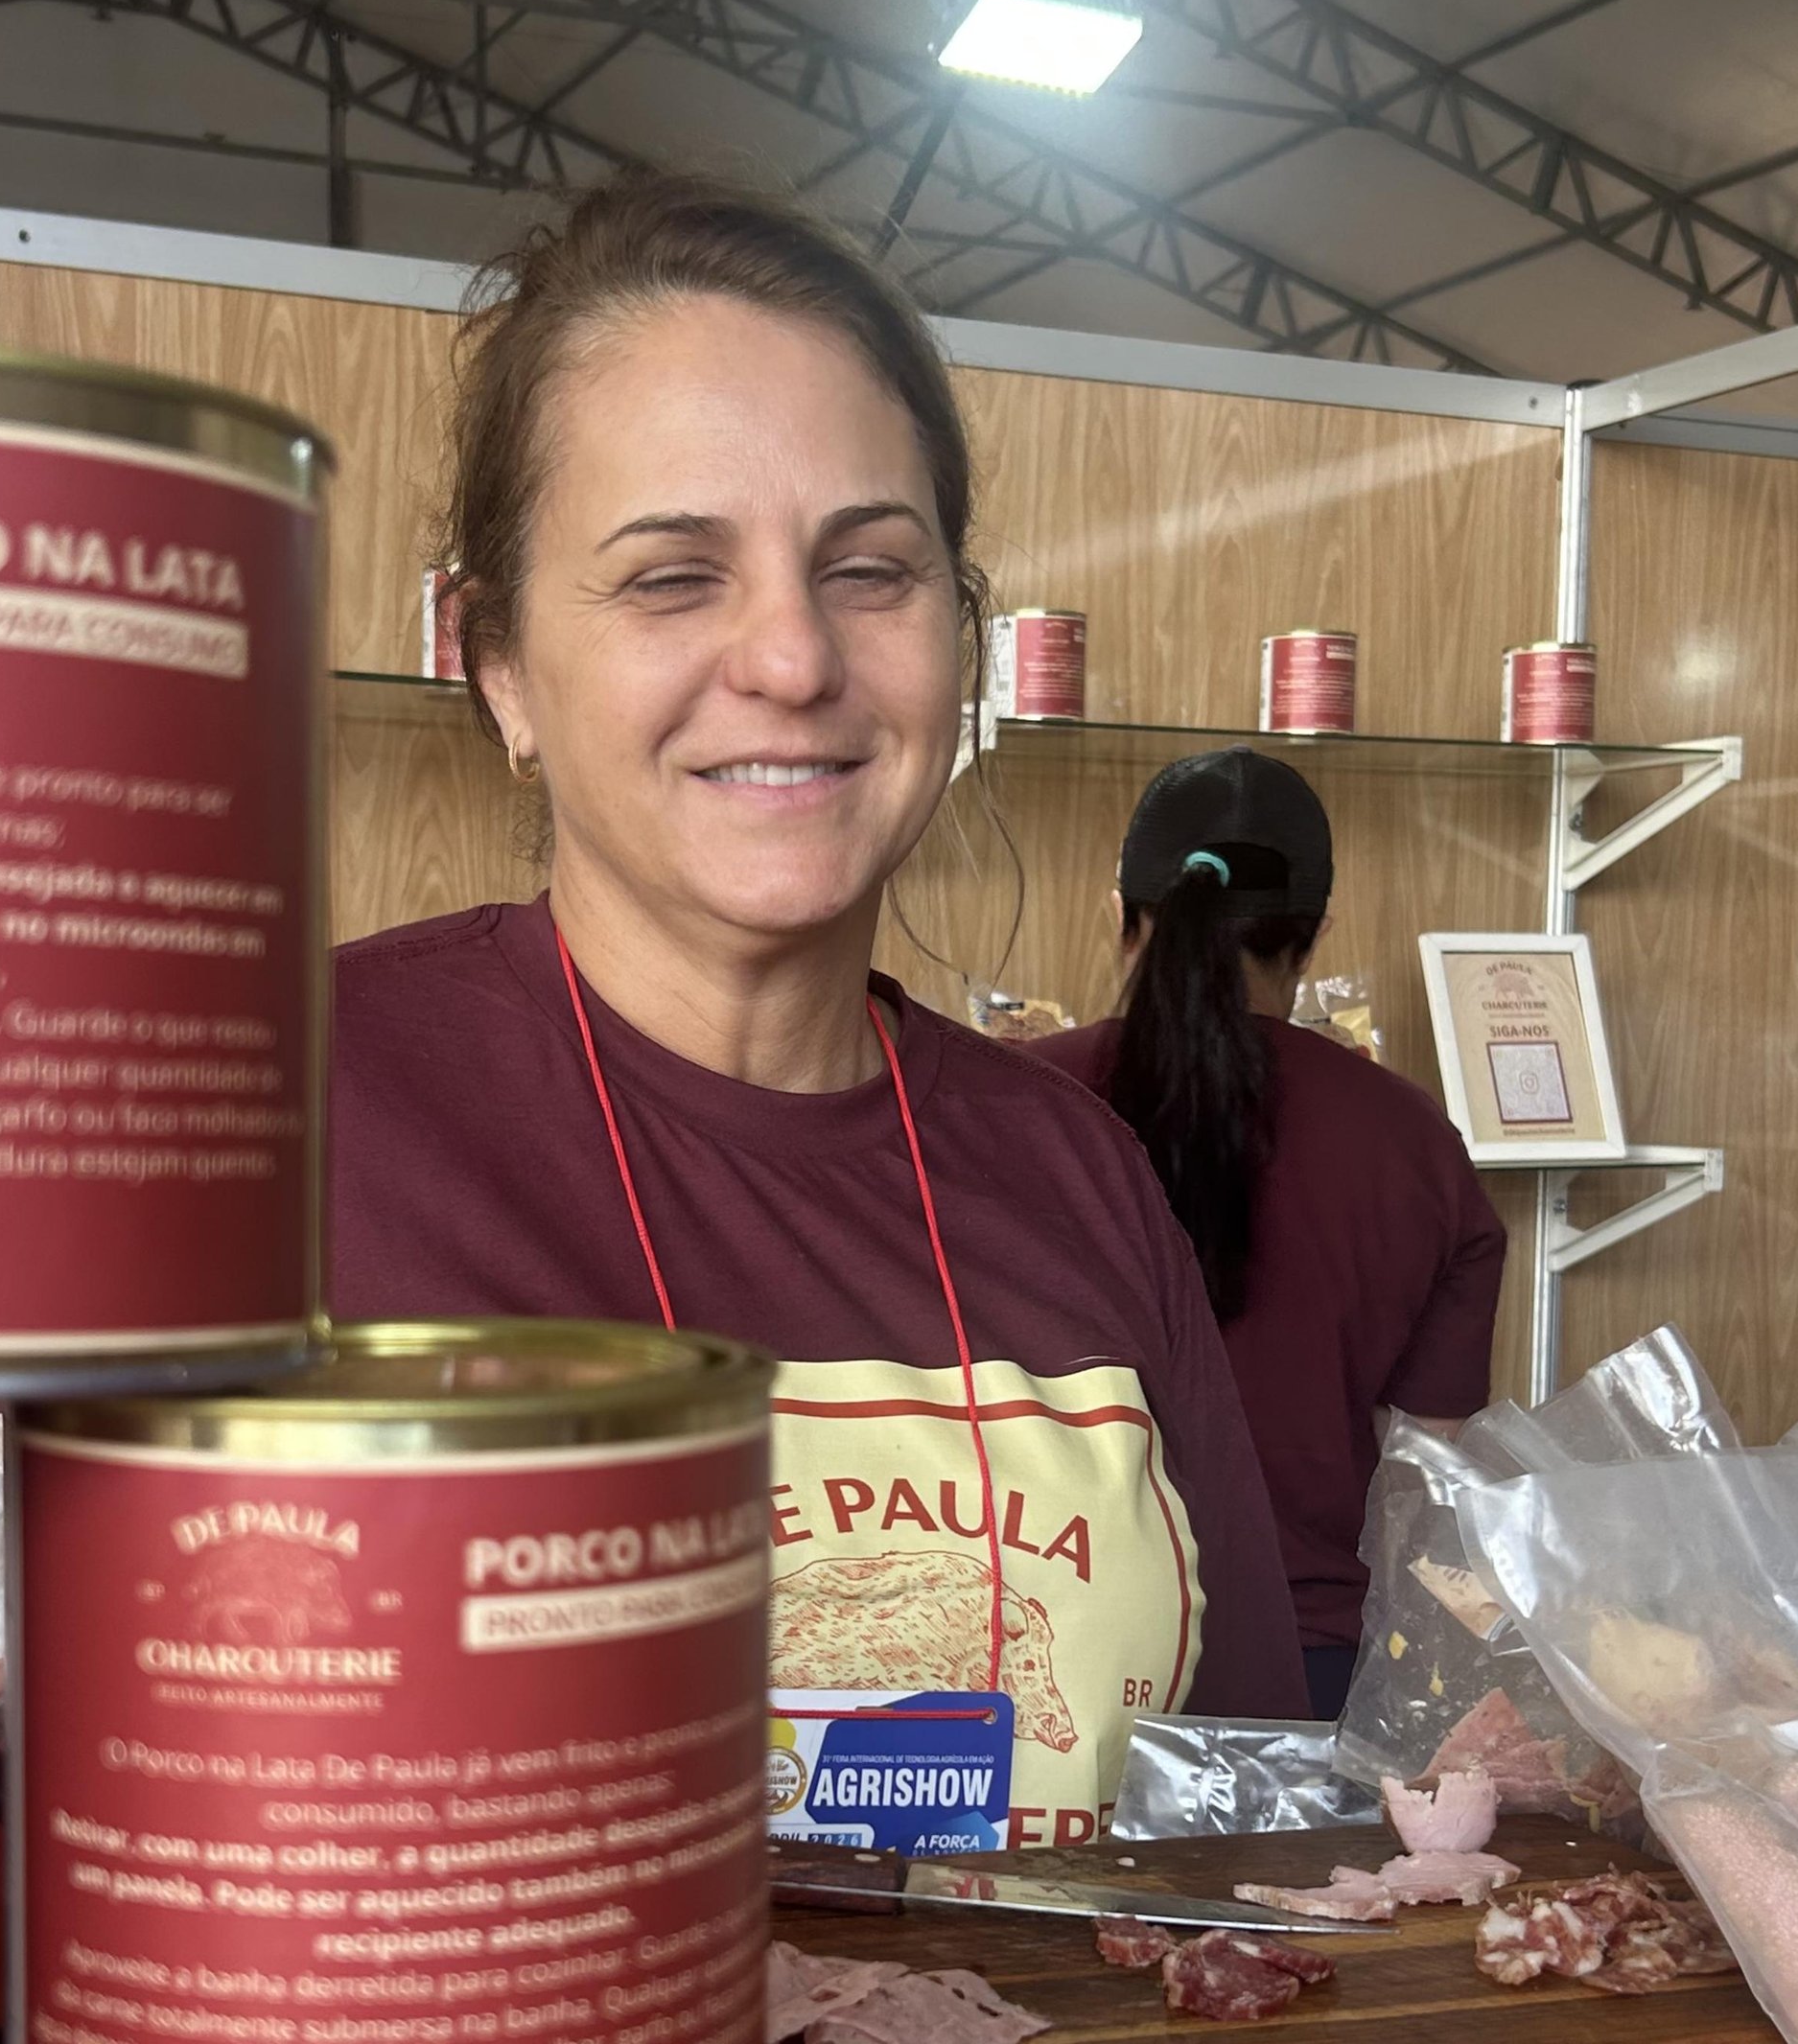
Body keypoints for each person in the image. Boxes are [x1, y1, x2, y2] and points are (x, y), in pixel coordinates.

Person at [326, 171, 1309, 1844]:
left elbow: (1245, 1830)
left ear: (957, 643)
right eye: (669, 577)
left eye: (868, 569)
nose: (791, 660)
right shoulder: (269, 1125)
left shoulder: (1075, 1176)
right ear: (499, 667)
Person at [1028, 749, 1506, 1720]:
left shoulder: (1017, 1107)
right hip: (1308, 1663)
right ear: (1314, 935)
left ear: (1121, 915)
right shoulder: (1411, 1139)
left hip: (1050, 1640)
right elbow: (1426, 1472)